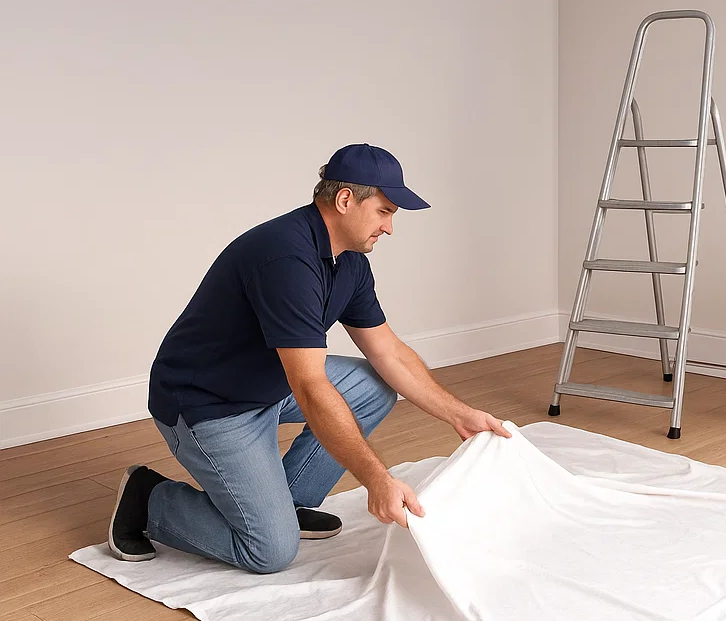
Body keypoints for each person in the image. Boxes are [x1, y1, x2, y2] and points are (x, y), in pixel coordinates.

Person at [107, 143, 510, 574]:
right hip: (210, 404)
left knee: (374, 384)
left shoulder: (349, 261)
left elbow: (387, 351)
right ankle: (149, 498)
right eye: (385, 211)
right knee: (269, 552)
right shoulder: (286, 258)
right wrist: (377, 480)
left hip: (269, 384)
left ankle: (287, 502)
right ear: (344, 200)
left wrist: (459, 414)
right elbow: (310, 386)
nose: (390, 227)